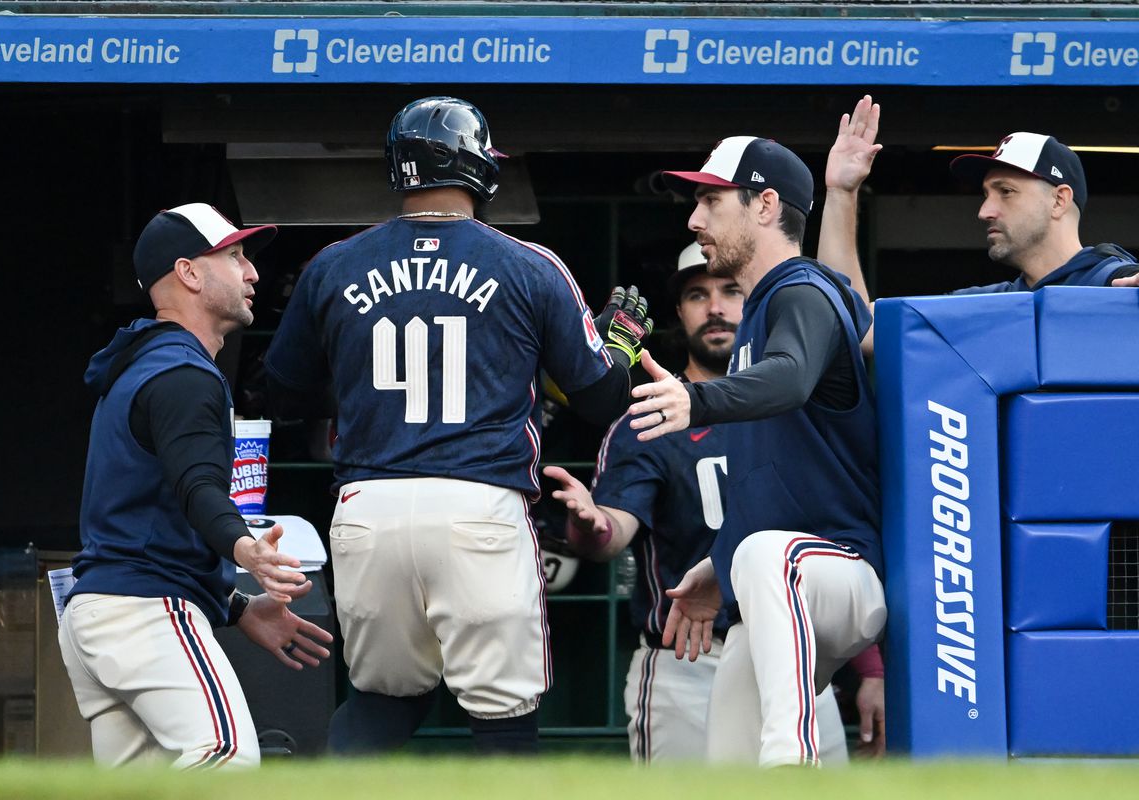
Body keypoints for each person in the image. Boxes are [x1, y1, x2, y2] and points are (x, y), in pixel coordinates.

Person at [263, 96, 651, 755]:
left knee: (379, 705)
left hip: (366, 507)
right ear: (478, 166)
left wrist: (356, 377)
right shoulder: (530, 264)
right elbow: (599, 398)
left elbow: (282, 392)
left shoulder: (332, 264)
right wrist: (622, 345)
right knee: (504, 718)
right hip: (480, 505)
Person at [624, 135, 886, 768]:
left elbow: (791, 377)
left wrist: (696, 400)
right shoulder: (766, 311)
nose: (695, 220)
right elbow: (772, 479)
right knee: (731, 758)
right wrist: (719, 566)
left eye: (712, 202)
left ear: (765, 205)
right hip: (787, 583)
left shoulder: (802, 289)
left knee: (766, 554)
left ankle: (793, 761)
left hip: (841, 570)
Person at [59, 203, 334, 769]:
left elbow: (150, 517)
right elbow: (198, 487)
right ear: (188, 272)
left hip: (100, 612)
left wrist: (235, 606)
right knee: (228, 757)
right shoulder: (182, 373)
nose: (252, 272)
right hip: (145, 613)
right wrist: (245, 549)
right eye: (234, 257)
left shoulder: (146, 361)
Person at [818, 99, 1139, 353]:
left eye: (1006, 192)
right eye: (986, 195)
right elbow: (860, 328)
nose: (985, 211)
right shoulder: (989, 305)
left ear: (1059, 201)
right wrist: (842, 193)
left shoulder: (1111, 282)